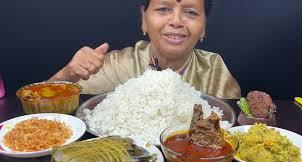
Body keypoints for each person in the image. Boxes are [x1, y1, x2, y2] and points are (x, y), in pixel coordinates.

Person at [49, 0, 241, 99]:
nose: (176, 21)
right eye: (163, 9)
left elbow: (235, 132)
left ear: (204, 27)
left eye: (191, 12)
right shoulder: (118, 65)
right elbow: (43, 112)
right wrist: (67, 75)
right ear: (144, 18)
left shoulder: (214, 71)